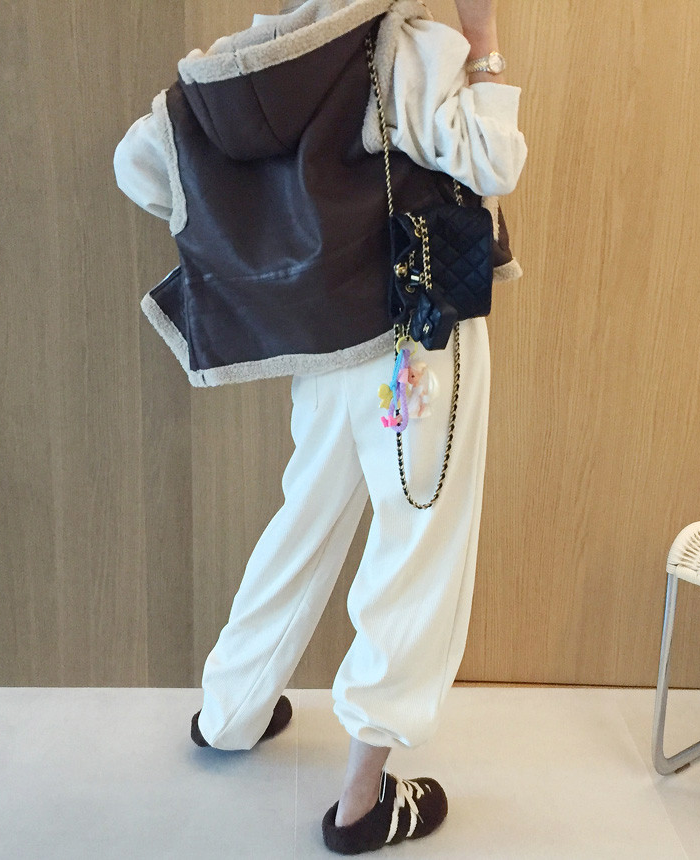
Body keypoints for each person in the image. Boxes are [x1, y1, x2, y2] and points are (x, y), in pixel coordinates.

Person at [113, 0, 526, 852]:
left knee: (305, 519)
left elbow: (140, 167)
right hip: (417, 342)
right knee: (419, 549)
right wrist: (483, 42)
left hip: (324, 349)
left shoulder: (252, 57)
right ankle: (362, 800)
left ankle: (230, 712)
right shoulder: (408, 46)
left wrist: (278, 255)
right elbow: (494, 161)